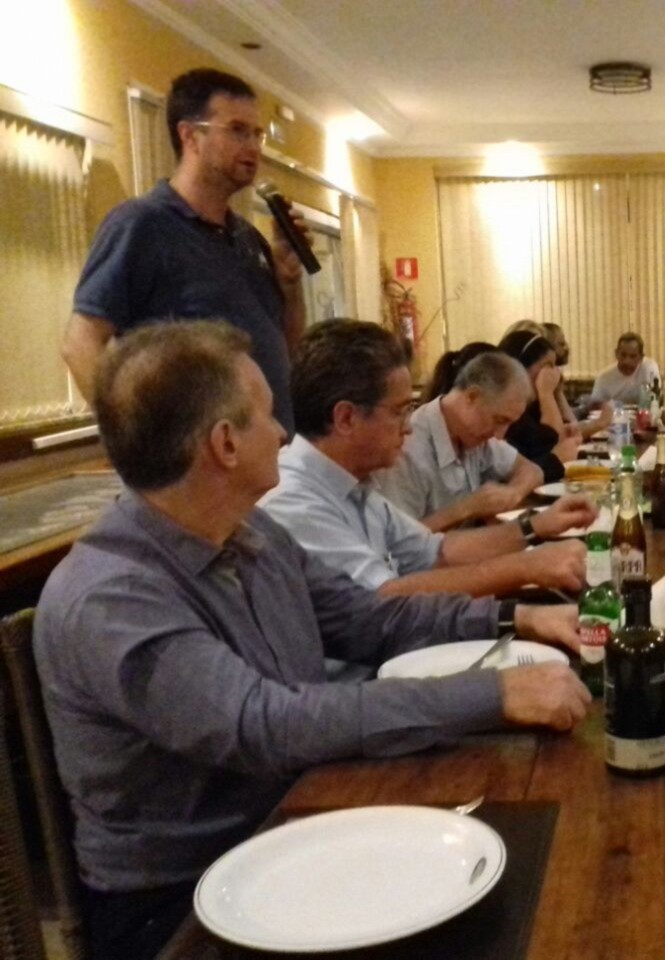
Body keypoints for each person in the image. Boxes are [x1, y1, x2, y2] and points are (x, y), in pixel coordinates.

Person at [34, 321, 589, 960]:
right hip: (179, 904)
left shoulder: (251, 533)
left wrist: (515, 618)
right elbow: (267, 724)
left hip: (297, 820)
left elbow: (371, 619)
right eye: (268, 416)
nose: (283, 433)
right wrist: (495, 693)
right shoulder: (110, 596)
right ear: (224, 444)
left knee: (513, 874)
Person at [261, 320, 592, 598]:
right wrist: (526, 567)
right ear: (346, 418)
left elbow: (437, 552)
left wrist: (538, 526)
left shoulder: (352, 484)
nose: (408, 427)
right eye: (399, 411)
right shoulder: (295, 500)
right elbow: (385, 598)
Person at [63, 68, 307, 433]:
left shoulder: (248, 238)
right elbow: (80, 343)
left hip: (271, 452)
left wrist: (289, 284)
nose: (253, 147)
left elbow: (287, 348)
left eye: (257, 134)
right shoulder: (142, 224)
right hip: (201, 461)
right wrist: (139, 444)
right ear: (190, 135)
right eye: (237, 130)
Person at [375, 350, 545, 529]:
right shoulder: (408, 448)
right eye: (499, 420)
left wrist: (513, 492)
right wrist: (465, 509)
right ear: (472, 396)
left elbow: (532, 471)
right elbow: (398, 540)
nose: (500, 435)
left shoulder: (476, 435)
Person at [499, 329, 581, 481]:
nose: (554, 373)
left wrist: (556, 393)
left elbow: (562, 441)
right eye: (548, 366)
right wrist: (546, 393)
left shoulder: (533, 408)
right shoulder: (508, 414)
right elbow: (551, 448)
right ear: (521, 367)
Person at [543, 320, 613, 438]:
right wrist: (601, 422)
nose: (567, 348)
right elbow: (565, 432)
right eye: (561, 344)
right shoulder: (544, 382)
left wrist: (586, 408)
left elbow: (569, 421)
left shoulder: (556, 377)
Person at [589, 332, 662, 406]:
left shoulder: (649, 369)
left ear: (641, 357)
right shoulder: (603, 379)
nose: (627, 361)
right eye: (623, 355)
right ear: (616, 354)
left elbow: (656, 400)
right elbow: (595, 407)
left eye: (633, 356)